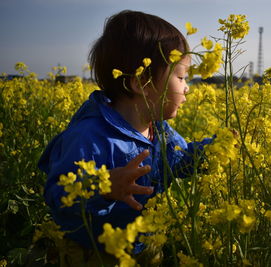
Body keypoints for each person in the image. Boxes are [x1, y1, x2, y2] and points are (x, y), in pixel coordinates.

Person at [38, 10, 213, 265]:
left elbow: (182, 159)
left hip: (146, 242)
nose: (186, 87)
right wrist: (103, 188)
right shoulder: (88, 137)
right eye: (180, 77)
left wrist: (217, 147)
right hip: (96, 252)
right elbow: (57, 195)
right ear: (141, 82)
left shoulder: (160, 131)